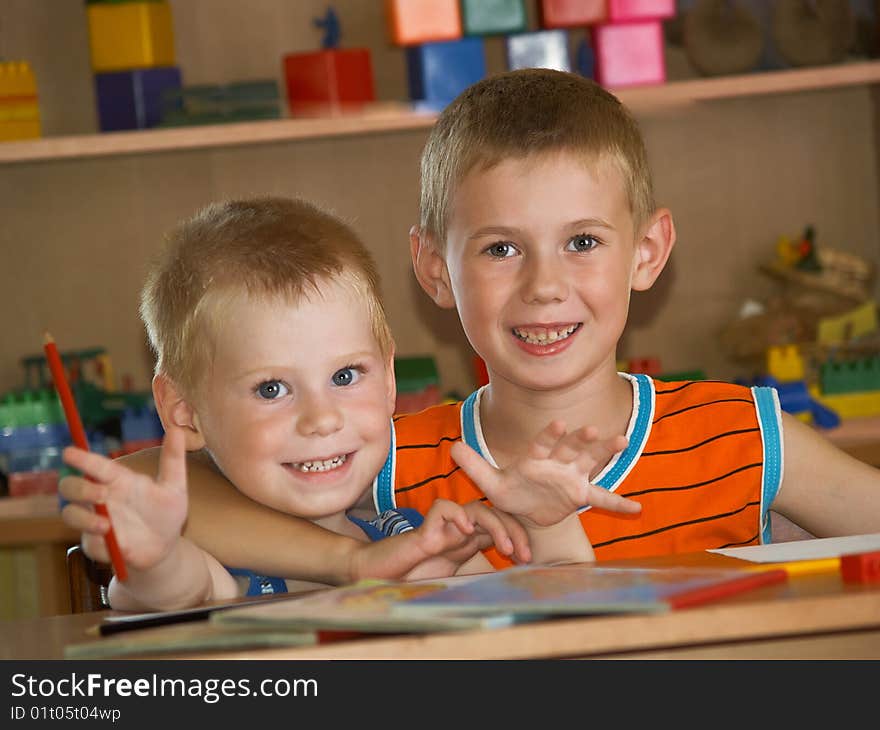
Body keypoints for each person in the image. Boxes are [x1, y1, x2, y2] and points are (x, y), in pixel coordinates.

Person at [92, 68, 880, 580]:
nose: (545, 287)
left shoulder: (748, 435)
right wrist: (346, 559)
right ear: (435, 269)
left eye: (582, 242)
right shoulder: (379, 457)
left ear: (647, 251)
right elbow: (136, 479)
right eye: (502, 248)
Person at [60, 195, 639, 610]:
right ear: (184, 411)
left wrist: (550, 527)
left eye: (345, 375)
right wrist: (154, 555)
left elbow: (571, 618)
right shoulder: (218, 567)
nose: (321, 419)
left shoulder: (414, 538)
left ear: (388, 377)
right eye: (271, 389)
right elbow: (171, 592)